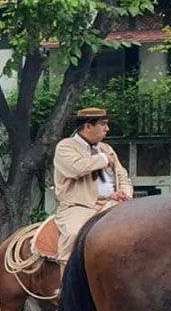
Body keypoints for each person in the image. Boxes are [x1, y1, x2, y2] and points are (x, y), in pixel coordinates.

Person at [54, 107, 132, 268]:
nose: (107, 129)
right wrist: (103, 159)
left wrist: (124, 194)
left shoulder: (106, 149)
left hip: (113, 204)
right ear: (88, 126)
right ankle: (67, 286)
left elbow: (123, 176)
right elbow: (77, 168)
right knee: (74, 234)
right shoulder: (65, 146)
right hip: (79, 206)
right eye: (103, 124)